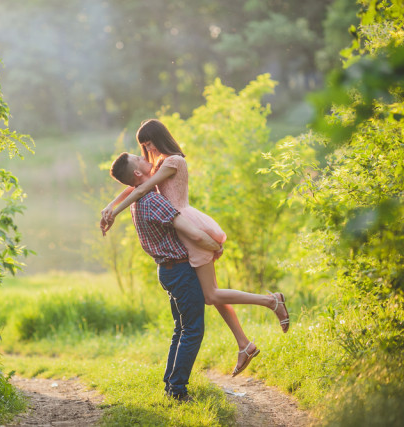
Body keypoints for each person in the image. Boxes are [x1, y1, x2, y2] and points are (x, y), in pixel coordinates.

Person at [100, 119, 289, 377]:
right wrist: (109, 207)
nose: (145, 149)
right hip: (181, 229)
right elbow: (135, 186)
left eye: (147, 144)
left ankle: (271, 301)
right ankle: (244, 344)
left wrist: (115, 212)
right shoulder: (158, 163)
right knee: (212, 292)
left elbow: (142, 187)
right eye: (141, 146)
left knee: (211, 295)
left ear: (157, 138)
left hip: (188, 227)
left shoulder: (173, 161)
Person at [103, 152, 221, 401]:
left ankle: (171, 383)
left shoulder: (140, 199)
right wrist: (216, 246)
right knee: (192, 330)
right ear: (137, 173)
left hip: (167, 270)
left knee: (181, 328)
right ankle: (177, 390)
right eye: (139, 157)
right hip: (178, 270)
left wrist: (111, 207)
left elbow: (136, 189)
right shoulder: (152, 202)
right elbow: (195, 234)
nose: (146, 157)